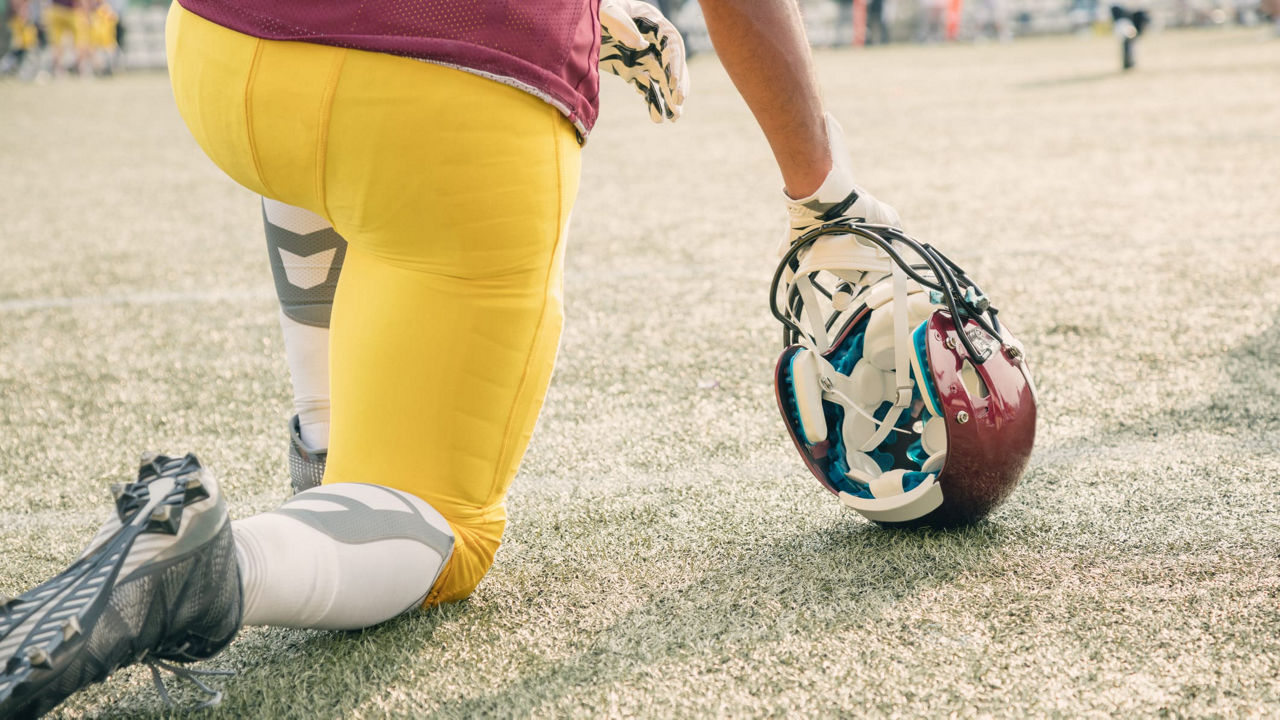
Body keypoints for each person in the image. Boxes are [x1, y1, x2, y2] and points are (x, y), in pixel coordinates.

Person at [0, 0, 899, 716]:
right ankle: (209, 569)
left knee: (316, 144)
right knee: (446, 527)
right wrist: (827, 195)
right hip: (446, 88)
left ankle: (327, 438)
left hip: (220, 54)